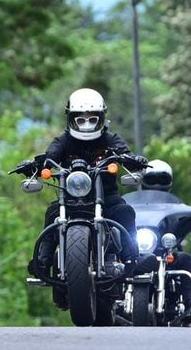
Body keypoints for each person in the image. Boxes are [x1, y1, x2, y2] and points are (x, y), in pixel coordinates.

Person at [27, 88, 149, 278]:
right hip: (70, 200)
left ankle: (133, 258)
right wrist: (36, 164)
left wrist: (132, 160)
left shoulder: (110, 139)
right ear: (71, 119)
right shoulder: (63, 141)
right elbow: (51, 155)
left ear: (101, 118)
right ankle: (43, 261)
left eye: (92, 119)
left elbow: (124, 152)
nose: (86, 125)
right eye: (81, 120)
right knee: (52, 213)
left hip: (107, 199)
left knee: (125, 212)